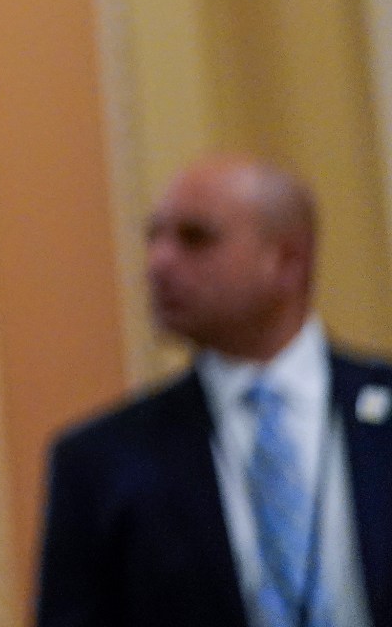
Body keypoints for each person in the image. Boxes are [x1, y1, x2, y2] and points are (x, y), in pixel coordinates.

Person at [36, 156, 392, 627]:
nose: (159, 263)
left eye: (195, 238)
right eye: (154, 239)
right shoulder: (102, 462)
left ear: (288, 260)